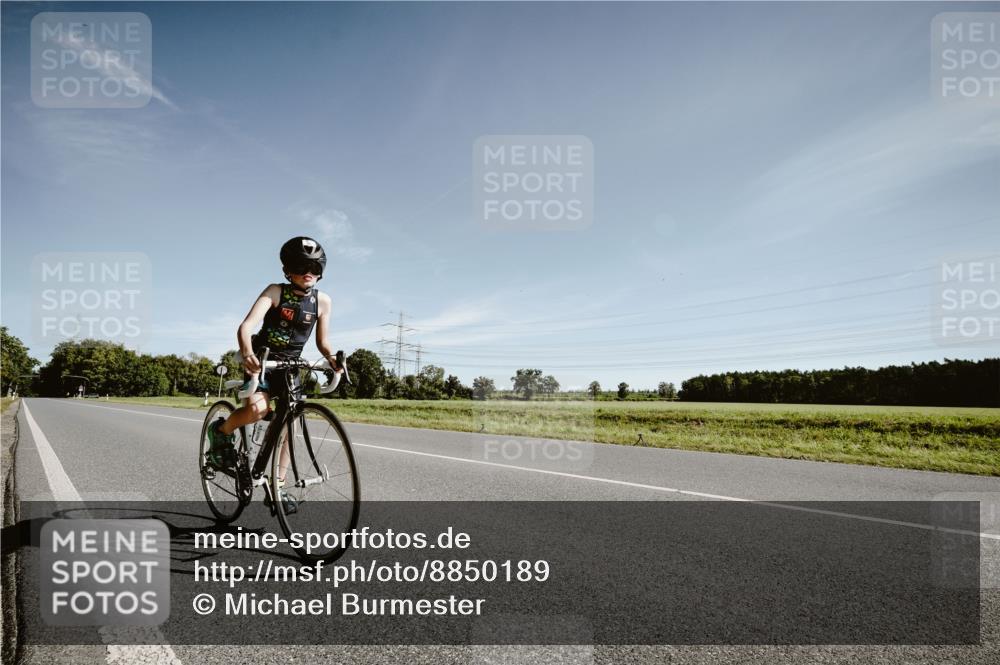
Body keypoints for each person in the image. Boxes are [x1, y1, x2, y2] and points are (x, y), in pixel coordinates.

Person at [205, 236, 343, 510]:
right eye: (302, 265)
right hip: (263, 360)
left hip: (290, 365)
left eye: (315, 268)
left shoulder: (323, 302)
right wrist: (247, 353)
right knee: (257, 409)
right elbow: (245, 327)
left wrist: (333, 361)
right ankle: (220, 431)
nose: (309, 272)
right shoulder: (275, 292)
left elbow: (322, 343)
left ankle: (278, 488)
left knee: (290, 423)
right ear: (287, 270)